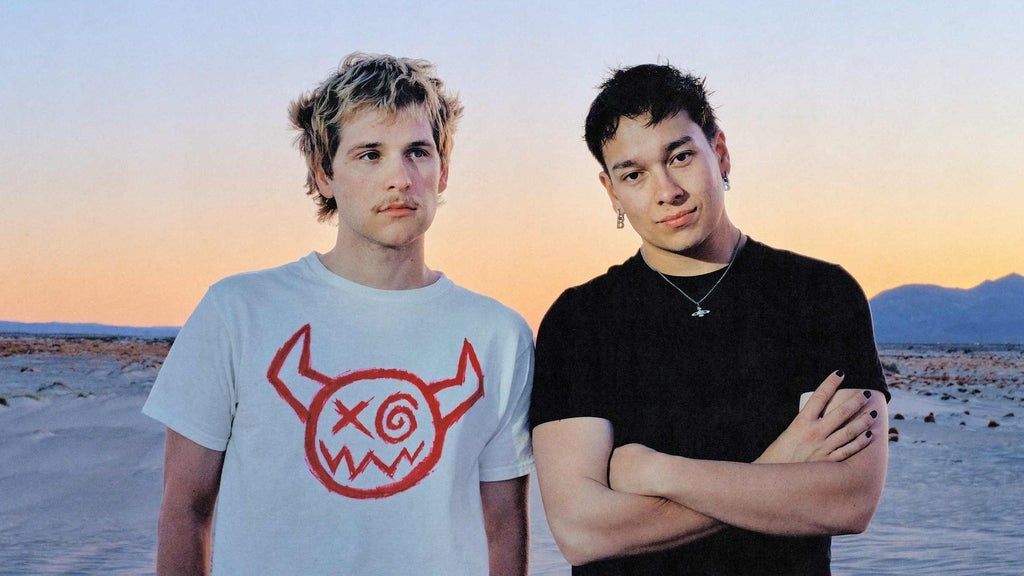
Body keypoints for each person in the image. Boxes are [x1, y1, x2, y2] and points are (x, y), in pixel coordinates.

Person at [143, 53, 534, 575]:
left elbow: (504, 528)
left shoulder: (498, 336)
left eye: (418, 152)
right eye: (370, 154)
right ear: (324, 174)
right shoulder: (238, 312)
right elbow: (185, 509)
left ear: (443, 172)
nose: (400, 178)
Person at [530, 63, 889, 575]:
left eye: (680, 157)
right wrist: (780, 464)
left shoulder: (821, 295)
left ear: (719, 152)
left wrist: (657, 471)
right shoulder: (579, 321)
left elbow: (849, 501)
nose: (667, 191)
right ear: (611, 192)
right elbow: (583, 532)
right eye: (634, 174)